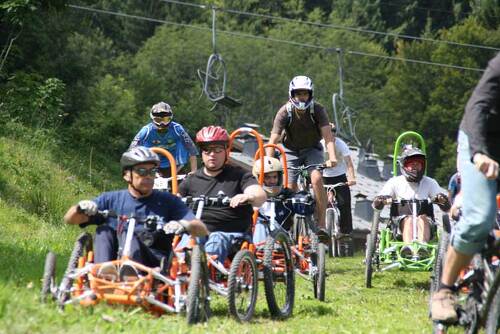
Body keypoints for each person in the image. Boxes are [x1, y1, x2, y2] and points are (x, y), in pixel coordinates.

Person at [63, 146, 208, 276]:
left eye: (152, 171)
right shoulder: (111, 199)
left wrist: (185, 225)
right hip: (113, 263)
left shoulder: (168, 201)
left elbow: (201, 230)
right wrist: (80, 208)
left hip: (153, 264)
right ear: (127, 174)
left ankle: (129, 273)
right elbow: (70, 219)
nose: (148, 176)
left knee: (129, 233)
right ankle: (105, 272)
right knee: (104, 229)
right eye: (142, 171)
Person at [431, 53, 500, 323]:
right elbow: (477, 107)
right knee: (479, 218)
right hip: (479, 143)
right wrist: (480, 154)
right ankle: (445, 291)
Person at [178, 126, 267, 263]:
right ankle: (179, 274)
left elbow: (259, 194)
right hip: (197, 231)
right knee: (183, 241)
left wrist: (248, 196)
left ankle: (206, 275)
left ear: (226, 151)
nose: (212, 154)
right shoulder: (191, 180)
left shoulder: (239, 175)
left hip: (231, 234)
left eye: (217, 149)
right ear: (201, 152)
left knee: (217, 238)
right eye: (207, 150)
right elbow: (174, 201)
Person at [266, 75, 337, 241]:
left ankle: (321, 224)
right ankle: (289, 224)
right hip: (290, 151)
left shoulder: (318, 110)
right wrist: (268, 162)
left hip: (312, 149)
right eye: (298, 94)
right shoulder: (284, 112)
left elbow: (327, 137)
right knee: (289, 187)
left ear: (310, 94)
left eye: (305, 93)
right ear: (292, 94)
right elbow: (273, 140)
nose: (301, 97)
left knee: (317, 178)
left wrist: (332, 157)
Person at [372, 146, 450, 255]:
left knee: (422, 218)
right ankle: (408, 247)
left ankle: (422, 246)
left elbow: (446, 206)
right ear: (404, 165)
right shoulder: (394, 182)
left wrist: (441, 199)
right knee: (409, 220)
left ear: (423, 166)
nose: (415, 168)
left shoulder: (430, 182)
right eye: (412, 164)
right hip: (400, 223)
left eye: (418, 164)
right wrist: (382, 200)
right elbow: (376, 204)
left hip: (425, 221)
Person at [130, 101, 198, 177]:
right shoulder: (146, 130)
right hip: (152, 167)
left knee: (182, 187)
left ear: (170, 118)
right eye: (158, 120)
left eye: (165, 119)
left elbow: (191, 148)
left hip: (175, 166)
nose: (162, 123)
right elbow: (132, 150)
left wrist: (194, 170)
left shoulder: (177, 129)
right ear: (152, 118)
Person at [321, 123, 357, 238]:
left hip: (339, 176)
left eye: (334, 131)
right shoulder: (319, 145)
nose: (332, 133)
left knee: (344, 203)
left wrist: (352, 178)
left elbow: (349, 163)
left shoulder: (341, 145)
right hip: (324, 177)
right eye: (329, 131)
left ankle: (345, 232)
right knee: (319, 203)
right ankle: (318, 229)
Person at [251, 156, 294, 245]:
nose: (272, 181)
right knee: (259, 223)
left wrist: (303, 198)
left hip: (281, 235)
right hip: (258, 231)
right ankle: (259, 250)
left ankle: (261, 249)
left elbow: (297, 199)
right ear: (259, 178)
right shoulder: (252, 194)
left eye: (275, 177)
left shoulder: (286, 194)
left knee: (262, 223)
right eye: (267, 177)